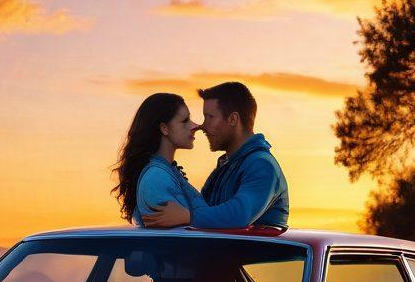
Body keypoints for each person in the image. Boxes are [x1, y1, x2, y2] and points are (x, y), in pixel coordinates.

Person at [143, 81, 289, 229]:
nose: (202, 126)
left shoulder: (261, 165)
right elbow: (206, 211)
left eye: (210, 117)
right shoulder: (225, 168)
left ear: (233, 119)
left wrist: (188, 216)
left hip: (258, 246)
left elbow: (240, 214)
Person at [113, 92, 210, 226]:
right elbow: (175, 236)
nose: (195, 126)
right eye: (185, 121)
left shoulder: (165, 172)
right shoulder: (156, 178)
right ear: (164, 128)